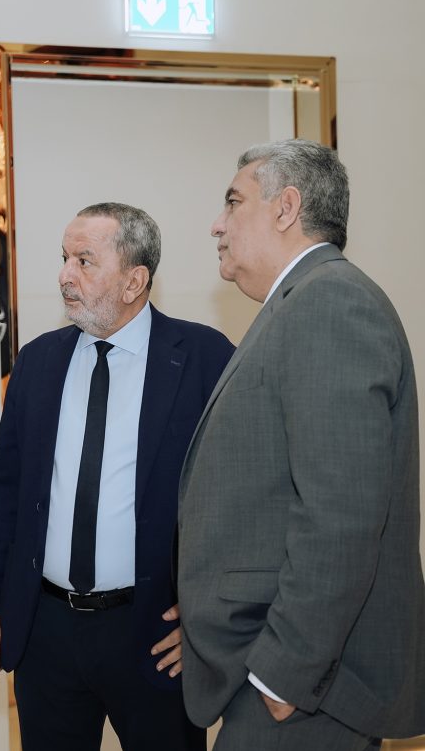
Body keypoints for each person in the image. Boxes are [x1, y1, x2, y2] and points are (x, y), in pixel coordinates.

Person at [177, 139, 425, 750]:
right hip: (287, 674)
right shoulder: (301, 301)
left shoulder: (329, 302)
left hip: (306, 688)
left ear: (286, 208)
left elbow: (341, 516)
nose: (217, 224)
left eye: (233, 202)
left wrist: (284, 675)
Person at [0, 203, 234, 750]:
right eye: (64, 258)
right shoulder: (37, 361)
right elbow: (7, 492)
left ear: (135, 281)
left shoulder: (205, 358)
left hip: (154, 631)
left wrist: (209, 618)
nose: (65, 275)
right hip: (46, 630)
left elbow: (237, 503)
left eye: (84, 261)